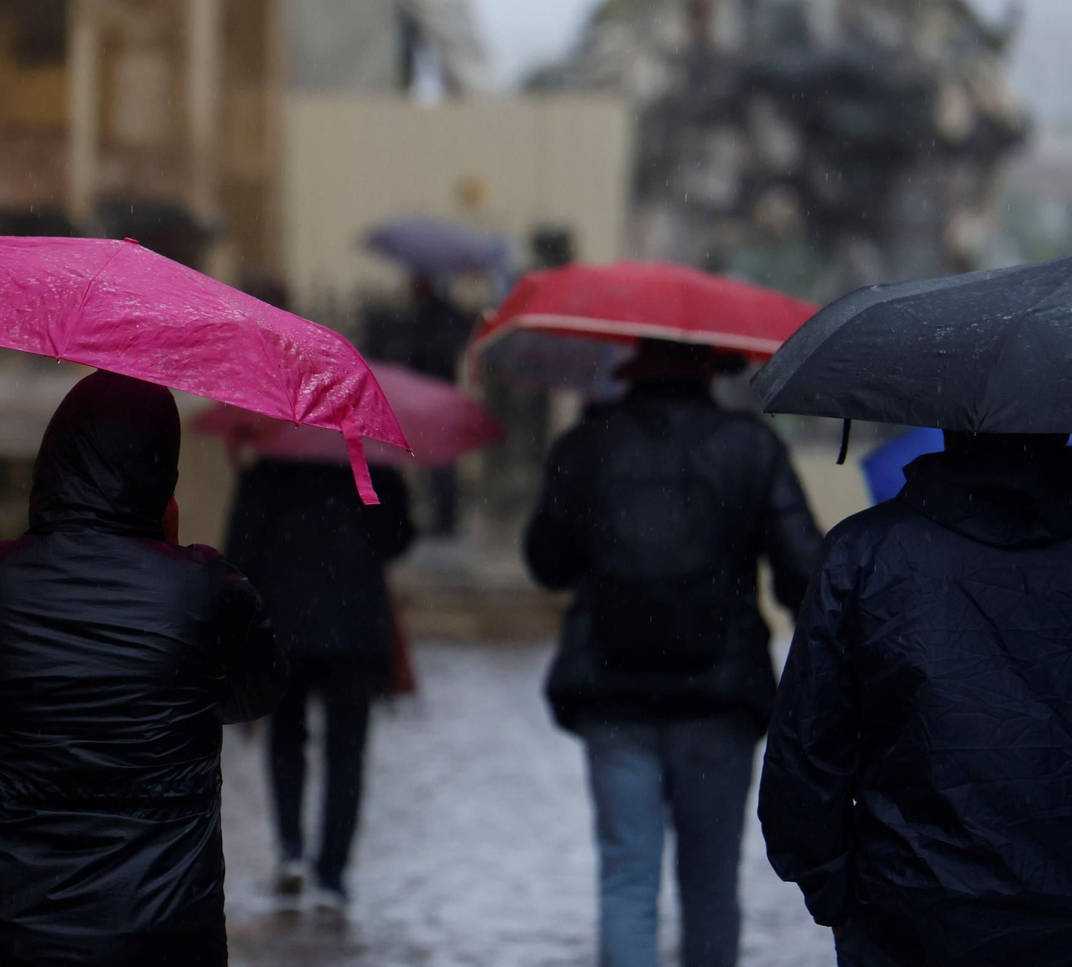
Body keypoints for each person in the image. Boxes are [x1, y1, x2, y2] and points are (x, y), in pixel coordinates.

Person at [0, 371, 287, 966]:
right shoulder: (206, 591)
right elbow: (258, 690)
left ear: (52, 464)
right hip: (158, 937)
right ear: (162, 482)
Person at [525, 339, 822, 967]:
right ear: (710, 364)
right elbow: (804, 572)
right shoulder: (749, 447)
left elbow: (546, 563)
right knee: (710, 885)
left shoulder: (588, 445)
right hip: (719, 696)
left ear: (633, 363)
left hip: (614, 689)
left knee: (626, 878)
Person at [760, 431, 1072, 967]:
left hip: (911, 914)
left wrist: (839, 894)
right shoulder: (864, 553)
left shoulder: (866, 551)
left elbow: (807, 753)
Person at [225, 458, 416, 911]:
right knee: (346, 752)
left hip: (288, 628)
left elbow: (239, 552)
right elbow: (398, 538)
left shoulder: (267, 473)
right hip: (354, 632)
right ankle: (331, 873)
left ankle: (291, 850)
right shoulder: (374, 472)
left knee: (286, 740)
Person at [403, 276, 472, 536]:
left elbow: (416, 355)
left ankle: (443, 514)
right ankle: (446, 514)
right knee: (443, 458)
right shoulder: (448, 314)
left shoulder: (424, 317)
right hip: (445, 390)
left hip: (429, 392)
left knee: (435, 457)